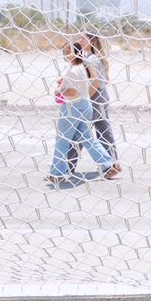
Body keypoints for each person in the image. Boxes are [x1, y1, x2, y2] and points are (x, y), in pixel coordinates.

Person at [46, 40, 118, 186]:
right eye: (64, 50)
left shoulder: (73, 70)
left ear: (77, 52)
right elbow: (85, 84)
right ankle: (109, 165)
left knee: (62, 140)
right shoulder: (80, 67)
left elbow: (73, 91)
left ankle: (56, 173)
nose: (65, 52)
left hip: (74, 107)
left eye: (69, 50)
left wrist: (59, 91)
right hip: (86, 106)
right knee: (87, 138)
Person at [64, 31, 119, 175]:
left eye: (84, 38)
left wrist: (85, 99)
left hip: (95, 96)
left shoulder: (91, 59)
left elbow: (94, 83)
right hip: (101, 96)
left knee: (81, 131)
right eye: (80, 38)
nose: (80, 40)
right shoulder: (89, 57)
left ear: (92, 42)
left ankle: (65, 168)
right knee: (102, 131)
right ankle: (113, 164)